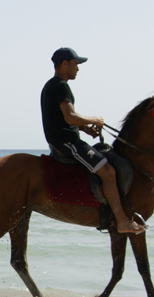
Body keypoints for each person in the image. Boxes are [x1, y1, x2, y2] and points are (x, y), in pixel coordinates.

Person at [40, 47, 145, 234]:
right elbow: (70, 117)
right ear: (65, 64)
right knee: (107, 171)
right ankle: (122, 221)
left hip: (64, 139)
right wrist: (94, 120)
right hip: (67, 143)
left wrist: (84, 128)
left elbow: (62, 119)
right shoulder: (61, 86)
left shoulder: (52, 85)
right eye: (75, 64)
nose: (78, 69)